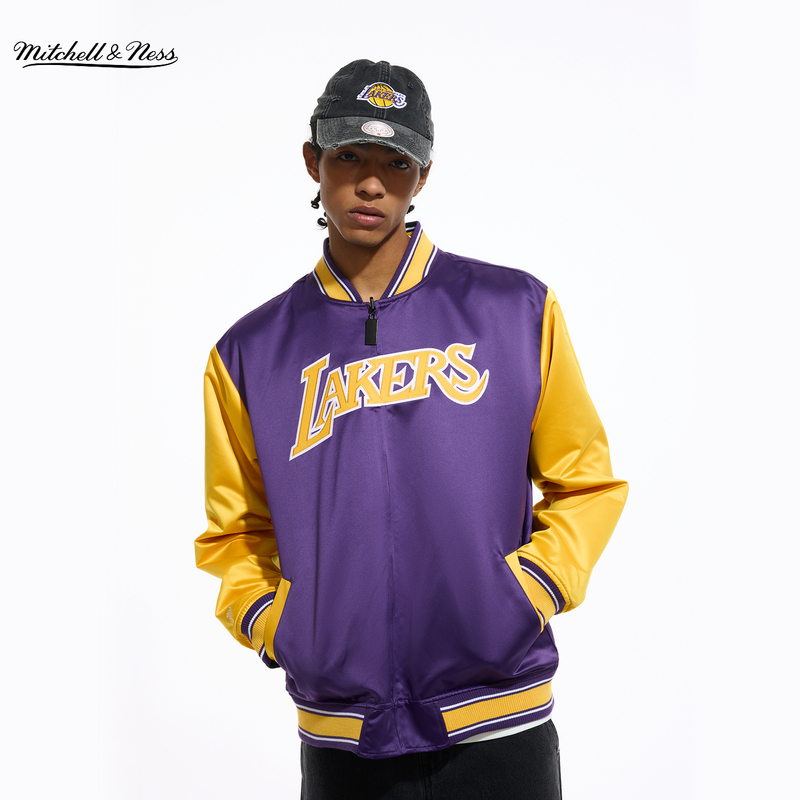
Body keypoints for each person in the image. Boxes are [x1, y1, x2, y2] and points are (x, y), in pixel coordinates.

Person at [196, 59, 628, 800]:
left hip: (501, 721)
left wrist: (524, 592)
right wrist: (283, 625)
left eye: (395, 163)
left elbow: (585, 483)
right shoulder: (250, 352)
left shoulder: (515, 310)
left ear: (423, 175)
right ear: (313, 162)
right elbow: (234, 533)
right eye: (349, 157)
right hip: (343, 732)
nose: (371, 184)